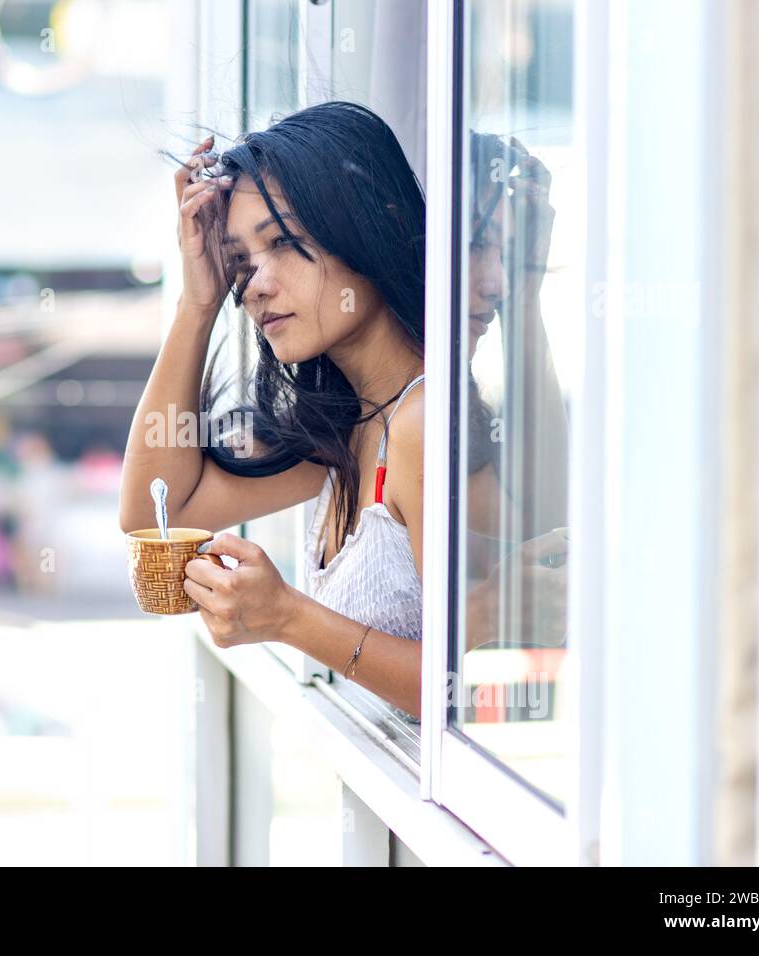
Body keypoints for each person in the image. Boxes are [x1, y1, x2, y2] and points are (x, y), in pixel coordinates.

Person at [119, 102, 566, 719]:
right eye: (241, 260)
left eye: (282, 243)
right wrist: (197, 302)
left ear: (367, 230)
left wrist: (287, 616)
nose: (254, 285)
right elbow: (154, 509)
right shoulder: (349, 424)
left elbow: (443, 684)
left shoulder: (423, 419)